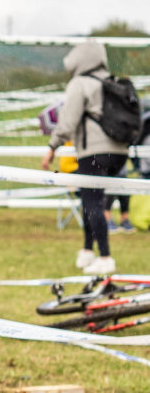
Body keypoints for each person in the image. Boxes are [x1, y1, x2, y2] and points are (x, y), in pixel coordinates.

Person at [42, 41, 130, 276]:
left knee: (92, 203)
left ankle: (105, 256)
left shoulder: (80, 84)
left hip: (93, 153)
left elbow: (67, 122)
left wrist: (52, 147)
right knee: (94, 203)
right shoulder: (112, 82)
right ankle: (87, 250)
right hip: (120, 154)